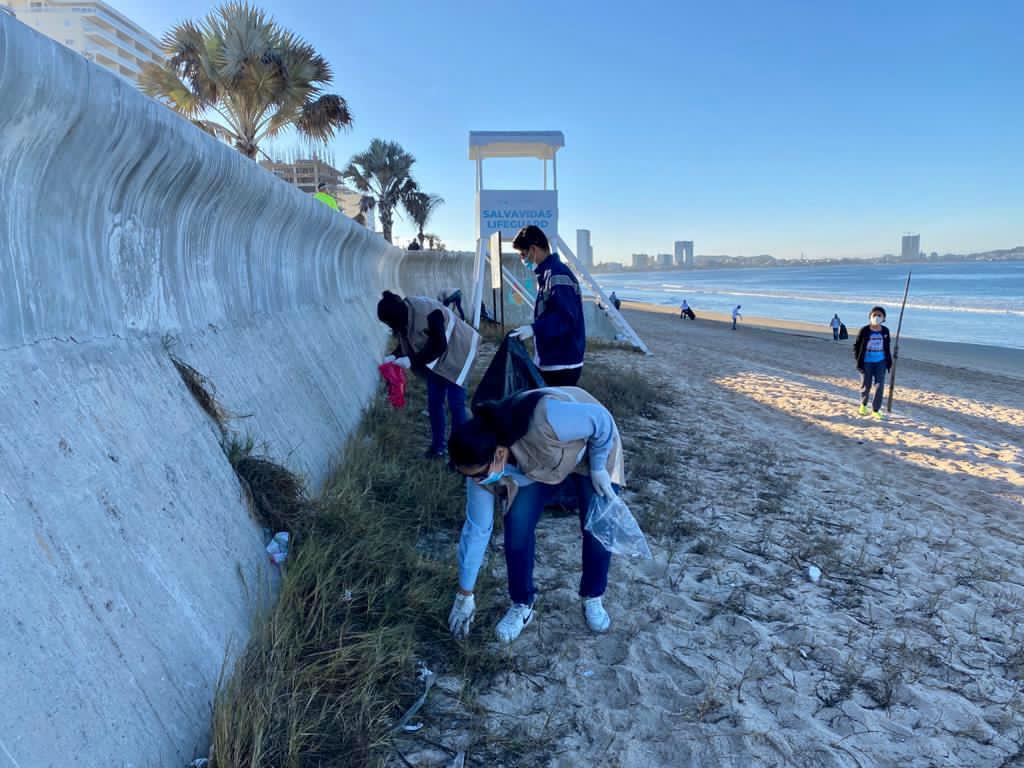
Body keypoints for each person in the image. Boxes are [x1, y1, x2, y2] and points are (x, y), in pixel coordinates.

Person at [446, 386, 625, 643]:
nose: (476, 482)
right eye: (469, 476)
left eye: (479, 475)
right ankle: (522, 604)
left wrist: (598, 467)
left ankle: (593, 596)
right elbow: (477, 529)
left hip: (593, 447)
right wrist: (465, 594)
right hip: (541, 463)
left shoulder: (546, 419)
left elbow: (600, 420)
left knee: (598, 525)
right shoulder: (477, 465)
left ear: (498, 454)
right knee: (517, 527)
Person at [377, 290, 480, 457]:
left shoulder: (428, 313)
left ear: (396, 317)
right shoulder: (405, 314)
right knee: (434, 403)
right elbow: (408, 340)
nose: (390, 327)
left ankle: (460, 455)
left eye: (389, 324)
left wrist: (412, 361)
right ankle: (438, 447)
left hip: (460, 352)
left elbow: (439, 345)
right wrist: (394, 355)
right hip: (438, 360)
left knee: (456, 404)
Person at [508, 226, 586, 387]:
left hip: (562, 363)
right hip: (552, 359)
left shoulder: (558, 274)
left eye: (523, 254)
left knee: (554, 409)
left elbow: (565, 318)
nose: (523, 259)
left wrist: (533, 329)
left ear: (533, 250)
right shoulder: (546, 275)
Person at [853, 306, 893, 421]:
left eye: (879, 315)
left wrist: (889, 360)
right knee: (866, 385)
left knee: (879, 386)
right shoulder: (864, 330)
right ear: (870, 317)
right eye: (874, 315)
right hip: (866, 362)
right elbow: (856, 346)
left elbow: (887, 346)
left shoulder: (885, 331)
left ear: (884, 318)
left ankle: (876, 410)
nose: (877, 317)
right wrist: (858, 360)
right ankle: (863, 405)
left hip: (881, 362)